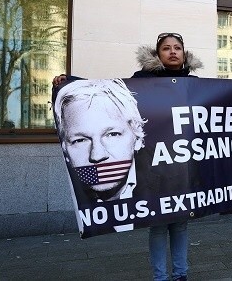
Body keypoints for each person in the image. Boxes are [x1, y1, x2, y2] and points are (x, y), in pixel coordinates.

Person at [53, 32, 203, 281]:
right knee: (158, 227)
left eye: (178, 48)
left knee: (180, 224)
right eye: (166, 48)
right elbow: (103, 88)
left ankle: (181, 274)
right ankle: (161, 277)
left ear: (185, 54)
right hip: (155, 170)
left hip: (182, 167)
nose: (173, 52)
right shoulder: (141, 81)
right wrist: (70, 81)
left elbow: (220, 98)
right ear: (158, 54)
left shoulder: (195, 83)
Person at [54, 79, 146, 204]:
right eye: (80, 140)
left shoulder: (172, 186)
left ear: (137, 138)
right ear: (64, 148)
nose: (97, 155)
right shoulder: (63, 198)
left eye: (112, 134)